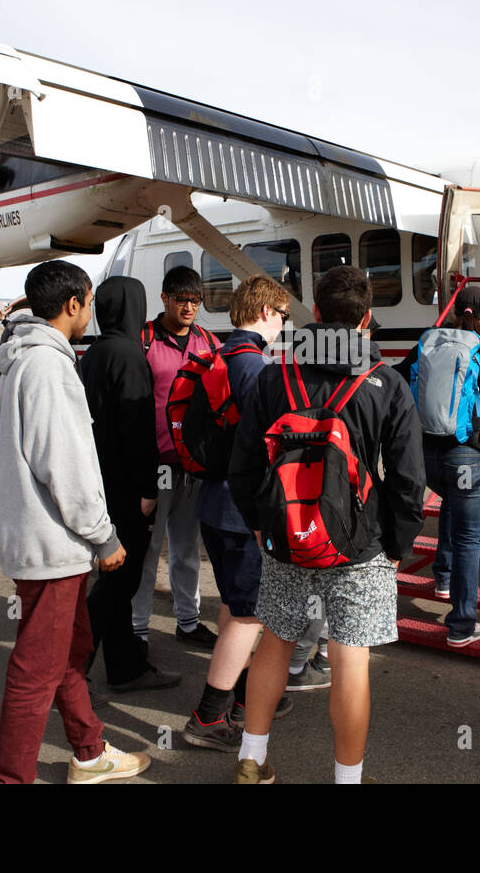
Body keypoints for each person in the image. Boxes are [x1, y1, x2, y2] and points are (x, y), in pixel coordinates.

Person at [228, 265, 425, 784]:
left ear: (314, 314)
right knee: (349, 658)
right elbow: (408, 479)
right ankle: (347, 779)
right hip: (359, 544)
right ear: (365, 321)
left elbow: (244, 464)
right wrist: (399, 543)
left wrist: (258, 524)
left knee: (274, 640)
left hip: (285, 537)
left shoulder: (275, 375)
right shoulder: (385, 382)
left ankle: (251, 757)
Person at [0, 260, 149, 784]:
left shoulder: (20, 358)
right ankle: (12, 778)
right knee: (36, 670)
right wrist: (104, 537)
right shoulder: (48, 366)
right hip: (52, 544)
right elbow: (66, 465)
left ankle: (88, 751)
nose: (92, 311)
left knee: (71, 652)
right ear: (74, 302)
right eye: (89, 300)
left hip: (36, 536)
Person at [182, 275, 294, 750]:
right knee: (250, 614)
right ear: (267, 312)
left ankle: (248, 696)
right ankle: (208, 718)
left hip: (211, 501)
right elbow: (266, 445)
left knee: (233, 603)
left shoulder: (220, 355)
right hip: (240, 510)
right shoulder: (255, 367)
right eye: (284, 317)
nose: (285, 325)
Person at [394, 283, 480, 647]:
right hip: (468, 456)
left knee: (449, 508)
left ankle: (442, 577)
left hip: (427, 457)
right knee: (469, 538)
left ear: (455, 311)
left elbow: (398, 375)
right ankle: (461, 625)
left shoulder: (430, 341)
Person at [78, 276, 181, 693]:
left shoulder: (96, 352)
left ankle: (125, 665)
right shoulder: (130, 356)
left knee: (116, 583)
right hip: (127, 489)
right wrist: (149, 489)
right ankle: (72, 670)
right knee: (118, 581)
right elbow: (139, 431)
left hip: (101, 481)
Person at [132, 266, 218, 648]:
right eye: (181, 299)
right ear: (164, 298)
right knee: (148, 551)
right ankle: (136, 628)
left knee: (186, 548)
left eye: (195, 300)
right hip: (156, 465)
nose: (188, 307)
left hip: (193, 466)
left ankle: (188, 621)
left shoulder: (209, 342)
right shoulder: (144, 341)